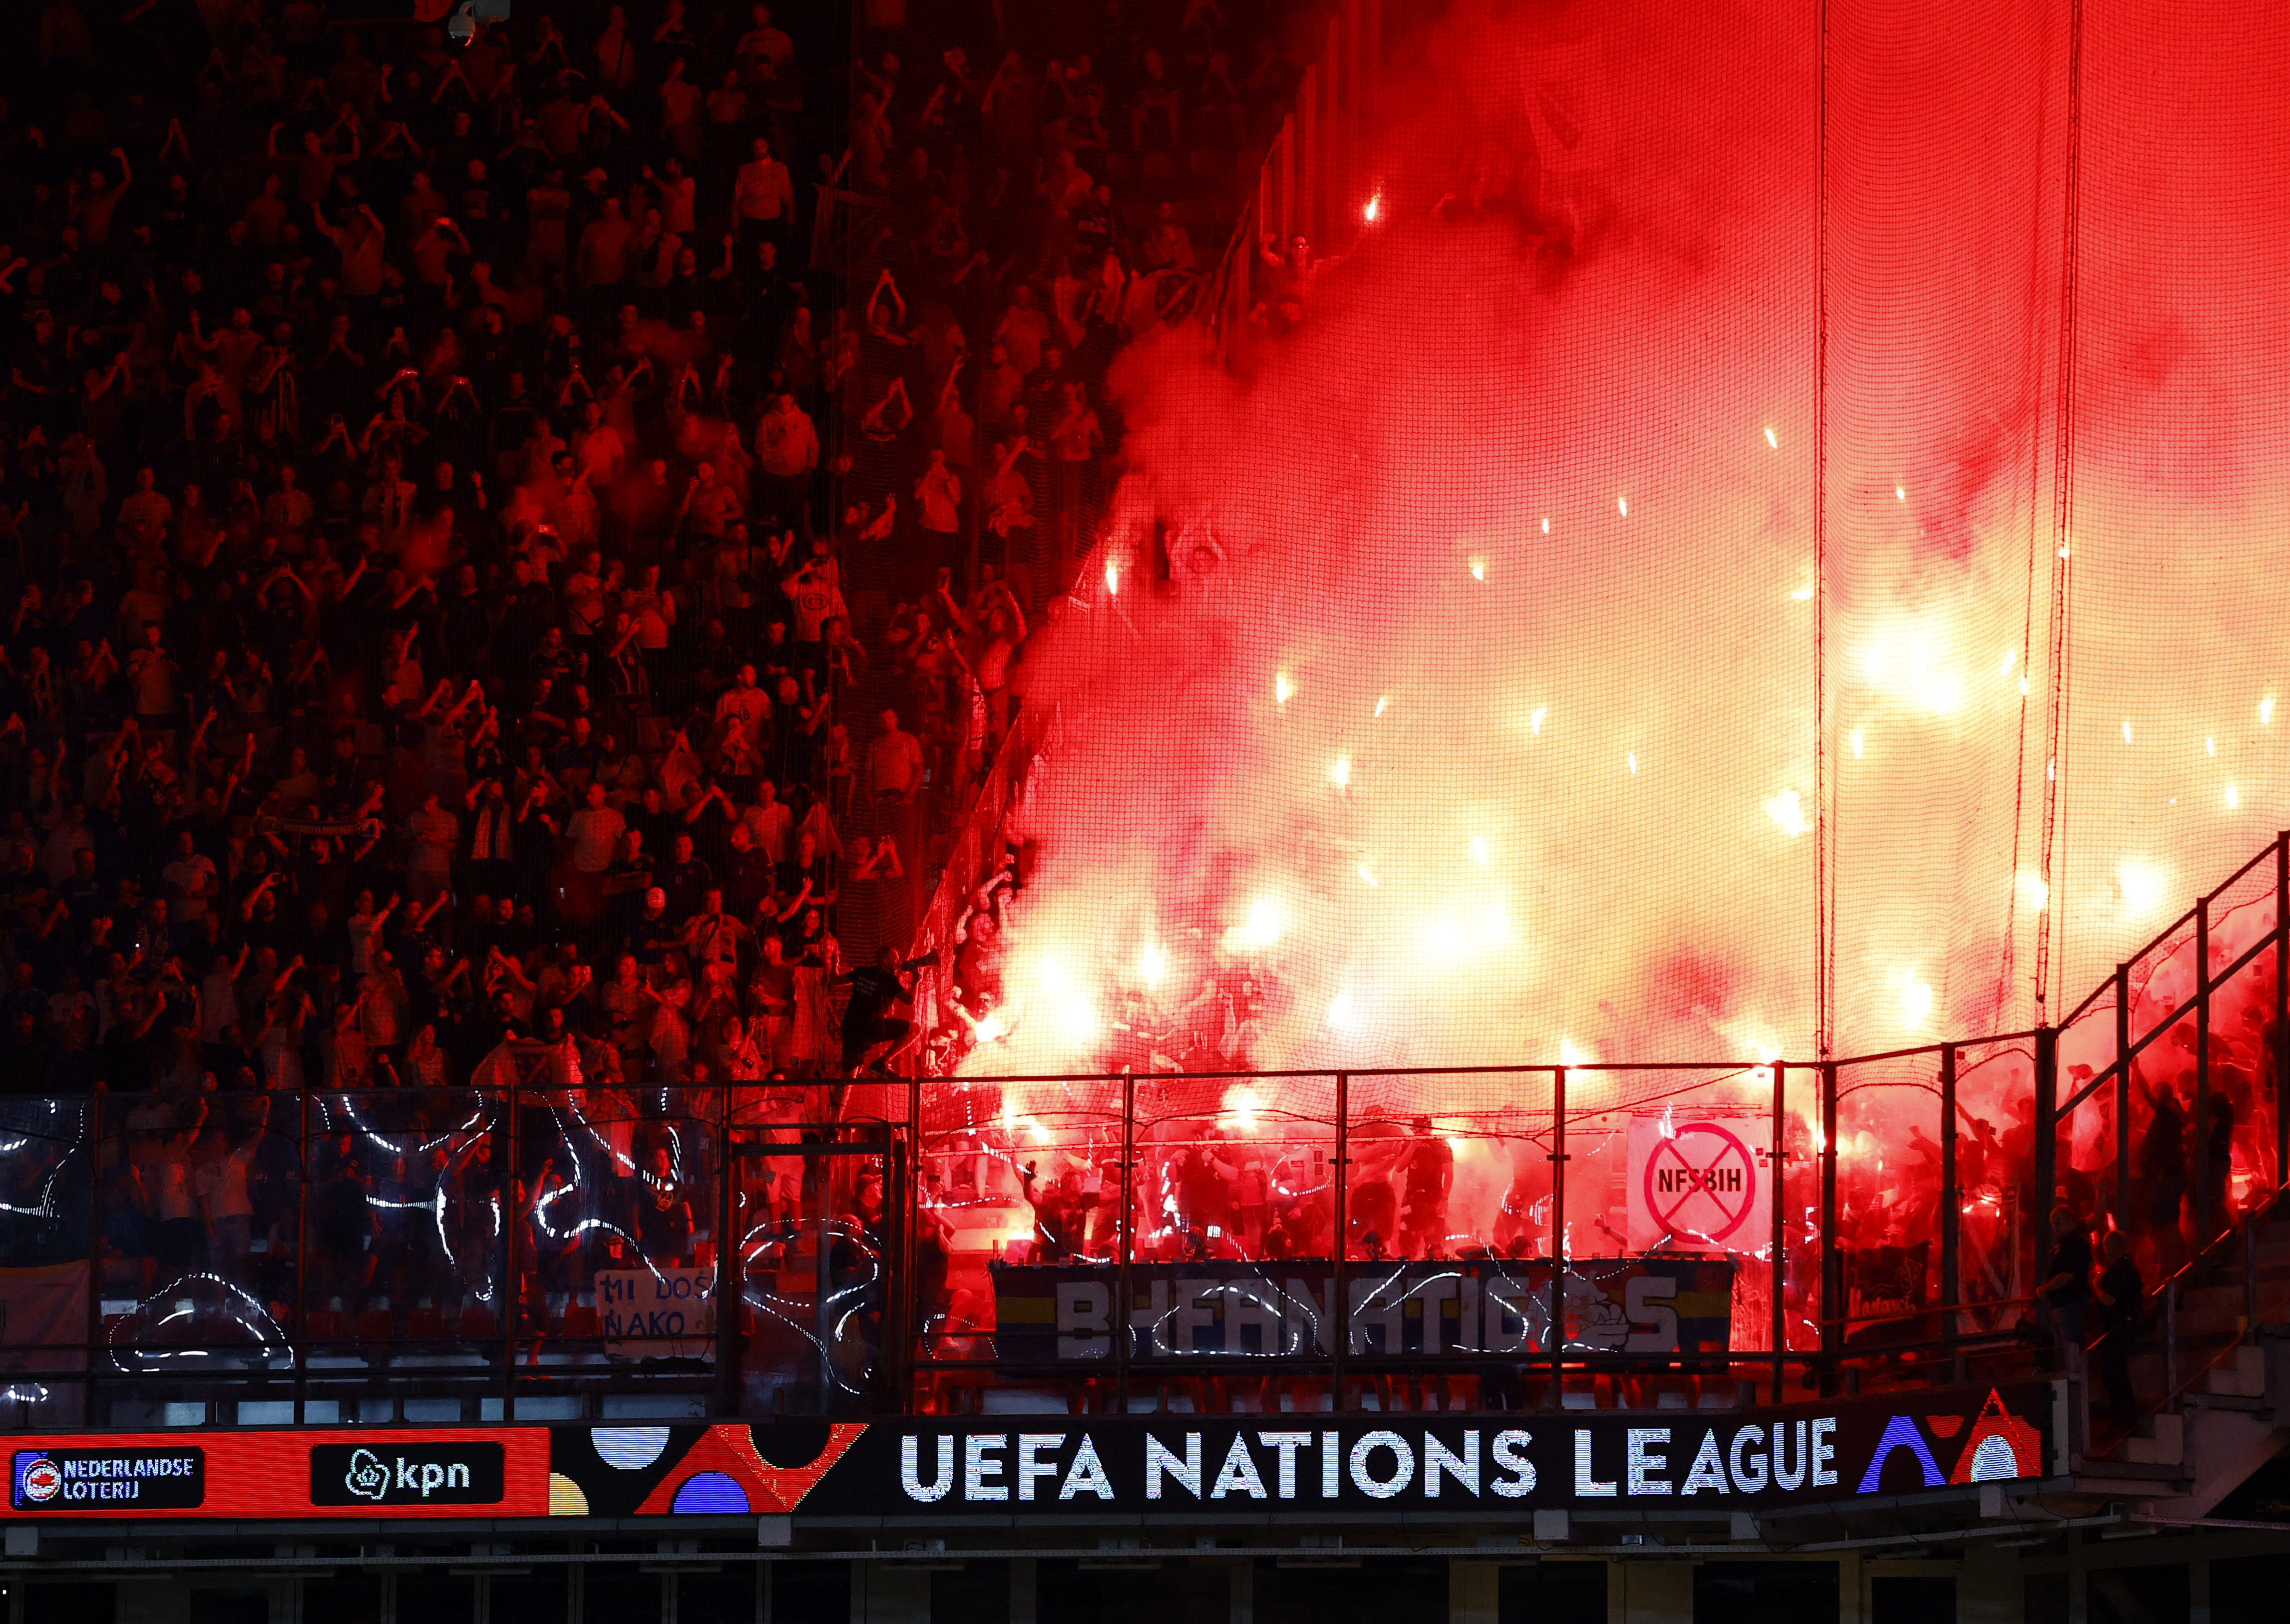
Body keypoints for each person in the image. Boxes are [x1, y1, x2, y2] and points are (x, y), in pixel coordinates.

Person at [2092, 1230, 2143, 1422]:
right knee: (2116, 1373)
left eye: (2106, 1244)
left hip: (2117, 1329)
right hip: (2120, 1328)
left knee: (2115, 1373)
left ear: (2115, 1246)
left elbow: (2110, 1300)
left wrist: (2097, 1285)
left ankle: (2123, 1416)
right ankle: (2122, 1414)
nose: (2104, 1248)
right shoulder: (2127, 1268)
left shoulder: (2120, 1271)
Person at [2034, 1205, 2093, 1364]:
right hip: (2062, 1304)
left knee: (2070, 1349)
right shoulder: (2065, 1244)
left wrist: (2046, 1288)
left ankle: (2073, 1376)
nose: (2055, 1228)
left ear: (2069, 1220)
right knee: (2063, 1350)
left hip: (2071, 1303)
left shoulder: (2075, 1244)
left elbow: (2068, 1275)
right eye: (2053, 1224)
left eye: (2058, 1223)